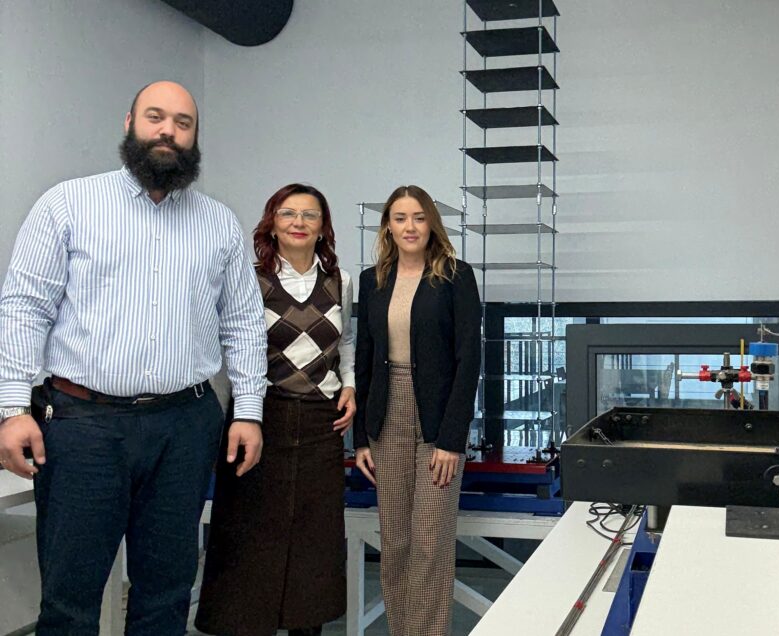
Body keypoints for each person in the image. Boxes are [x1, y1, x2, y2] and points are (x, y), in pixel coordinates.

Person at [0, 81, 267, 635]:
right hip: (82, 428)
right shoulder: (67, 205)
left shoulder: (219, 223)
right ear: (129, 123)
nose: (168, 131)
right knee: (70, 602)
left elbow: (243, 323)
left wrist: (249, 411)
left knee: (166, 596)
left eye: (183, 123)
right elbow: (24, 307)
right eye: (155, 117)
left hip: (184, 427)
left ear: (195, 137)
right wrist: (11, 408)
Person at [196, 184, 355, 636]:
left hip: (322, 423)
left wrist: (350, 383)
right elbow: (229, 350)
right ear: (272, 223)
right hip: (259, 420)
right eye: (288, 213)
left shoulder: (342, 281)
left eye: (310, 215)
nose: (298, 222)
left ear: (323, 227)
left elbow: (346, 340)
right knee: (249, 539)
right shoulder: (248, 279)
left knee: (314, 543)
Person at [352, 185, 481, 636]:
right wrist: (361, 438)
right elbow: (364, 359)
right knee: (396, 543)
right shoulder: (373, 280)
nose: (410, 227)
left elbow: (469, 360)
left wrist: (451, 440)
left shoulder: (456, 276)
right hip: (386, 415)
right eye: (400, 217)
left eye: (419, 217)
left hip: (437, 420)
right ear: (387, 226)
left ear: (432, 224)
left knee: (428, 542)